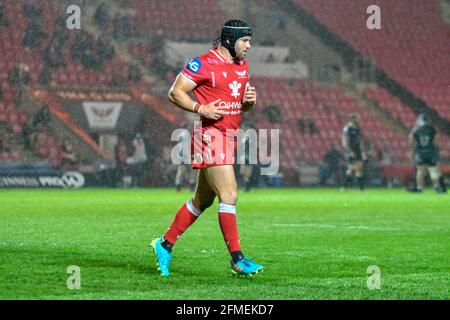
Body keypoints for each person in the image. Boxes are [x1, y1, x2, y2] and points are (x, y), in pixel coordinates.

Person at [150, 19, 264, 277]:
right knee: (230, 194)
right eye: (245, 41)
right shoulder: (202, 64)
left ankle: (164, 244)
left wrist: (248, 103)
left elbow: (238, 107)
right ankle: (237, 258)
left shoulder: (242, 67)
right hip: (210, 137)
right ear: (230, 40)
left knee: (202, 200)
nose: (248, 47)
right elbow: (175, 92)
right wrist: (200, 108)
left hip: (230, 137)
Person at [408, 113, 446, 193]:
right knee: (433, 170)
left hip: (420, 152)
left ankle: (419, 188)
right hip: (431, 152)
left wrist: (415, 148)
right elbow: (436, 141)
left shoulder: (416, 130)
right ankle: (437, 187)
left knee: (420, 171)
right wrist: (439, 148)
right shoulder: (432, 129)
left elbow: (411, 142)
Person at [341, 113, 365, 191]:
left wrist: (362, 151)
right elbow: (345, 141)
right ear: (352, 119)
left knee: (357, 168)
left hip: (357, 150)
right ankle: (358, 188)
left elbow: (359, 140)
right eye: (356, 118)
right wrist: (349, 151)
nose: (358, 120)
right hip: (351, 150)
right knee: (353, 168)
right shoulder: (347, 128)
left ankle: (346, 187)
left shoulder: (357, 128)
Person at [175, 122, 196, 192]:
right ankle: (191, 185)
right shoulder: (186, 134)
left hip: (181, 154)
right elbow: (186, 145)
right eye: (189, 126)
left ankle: (178, 186)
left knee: (181, 171)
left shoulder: (181, 134)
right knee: (191, 170)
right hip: (185, 154)